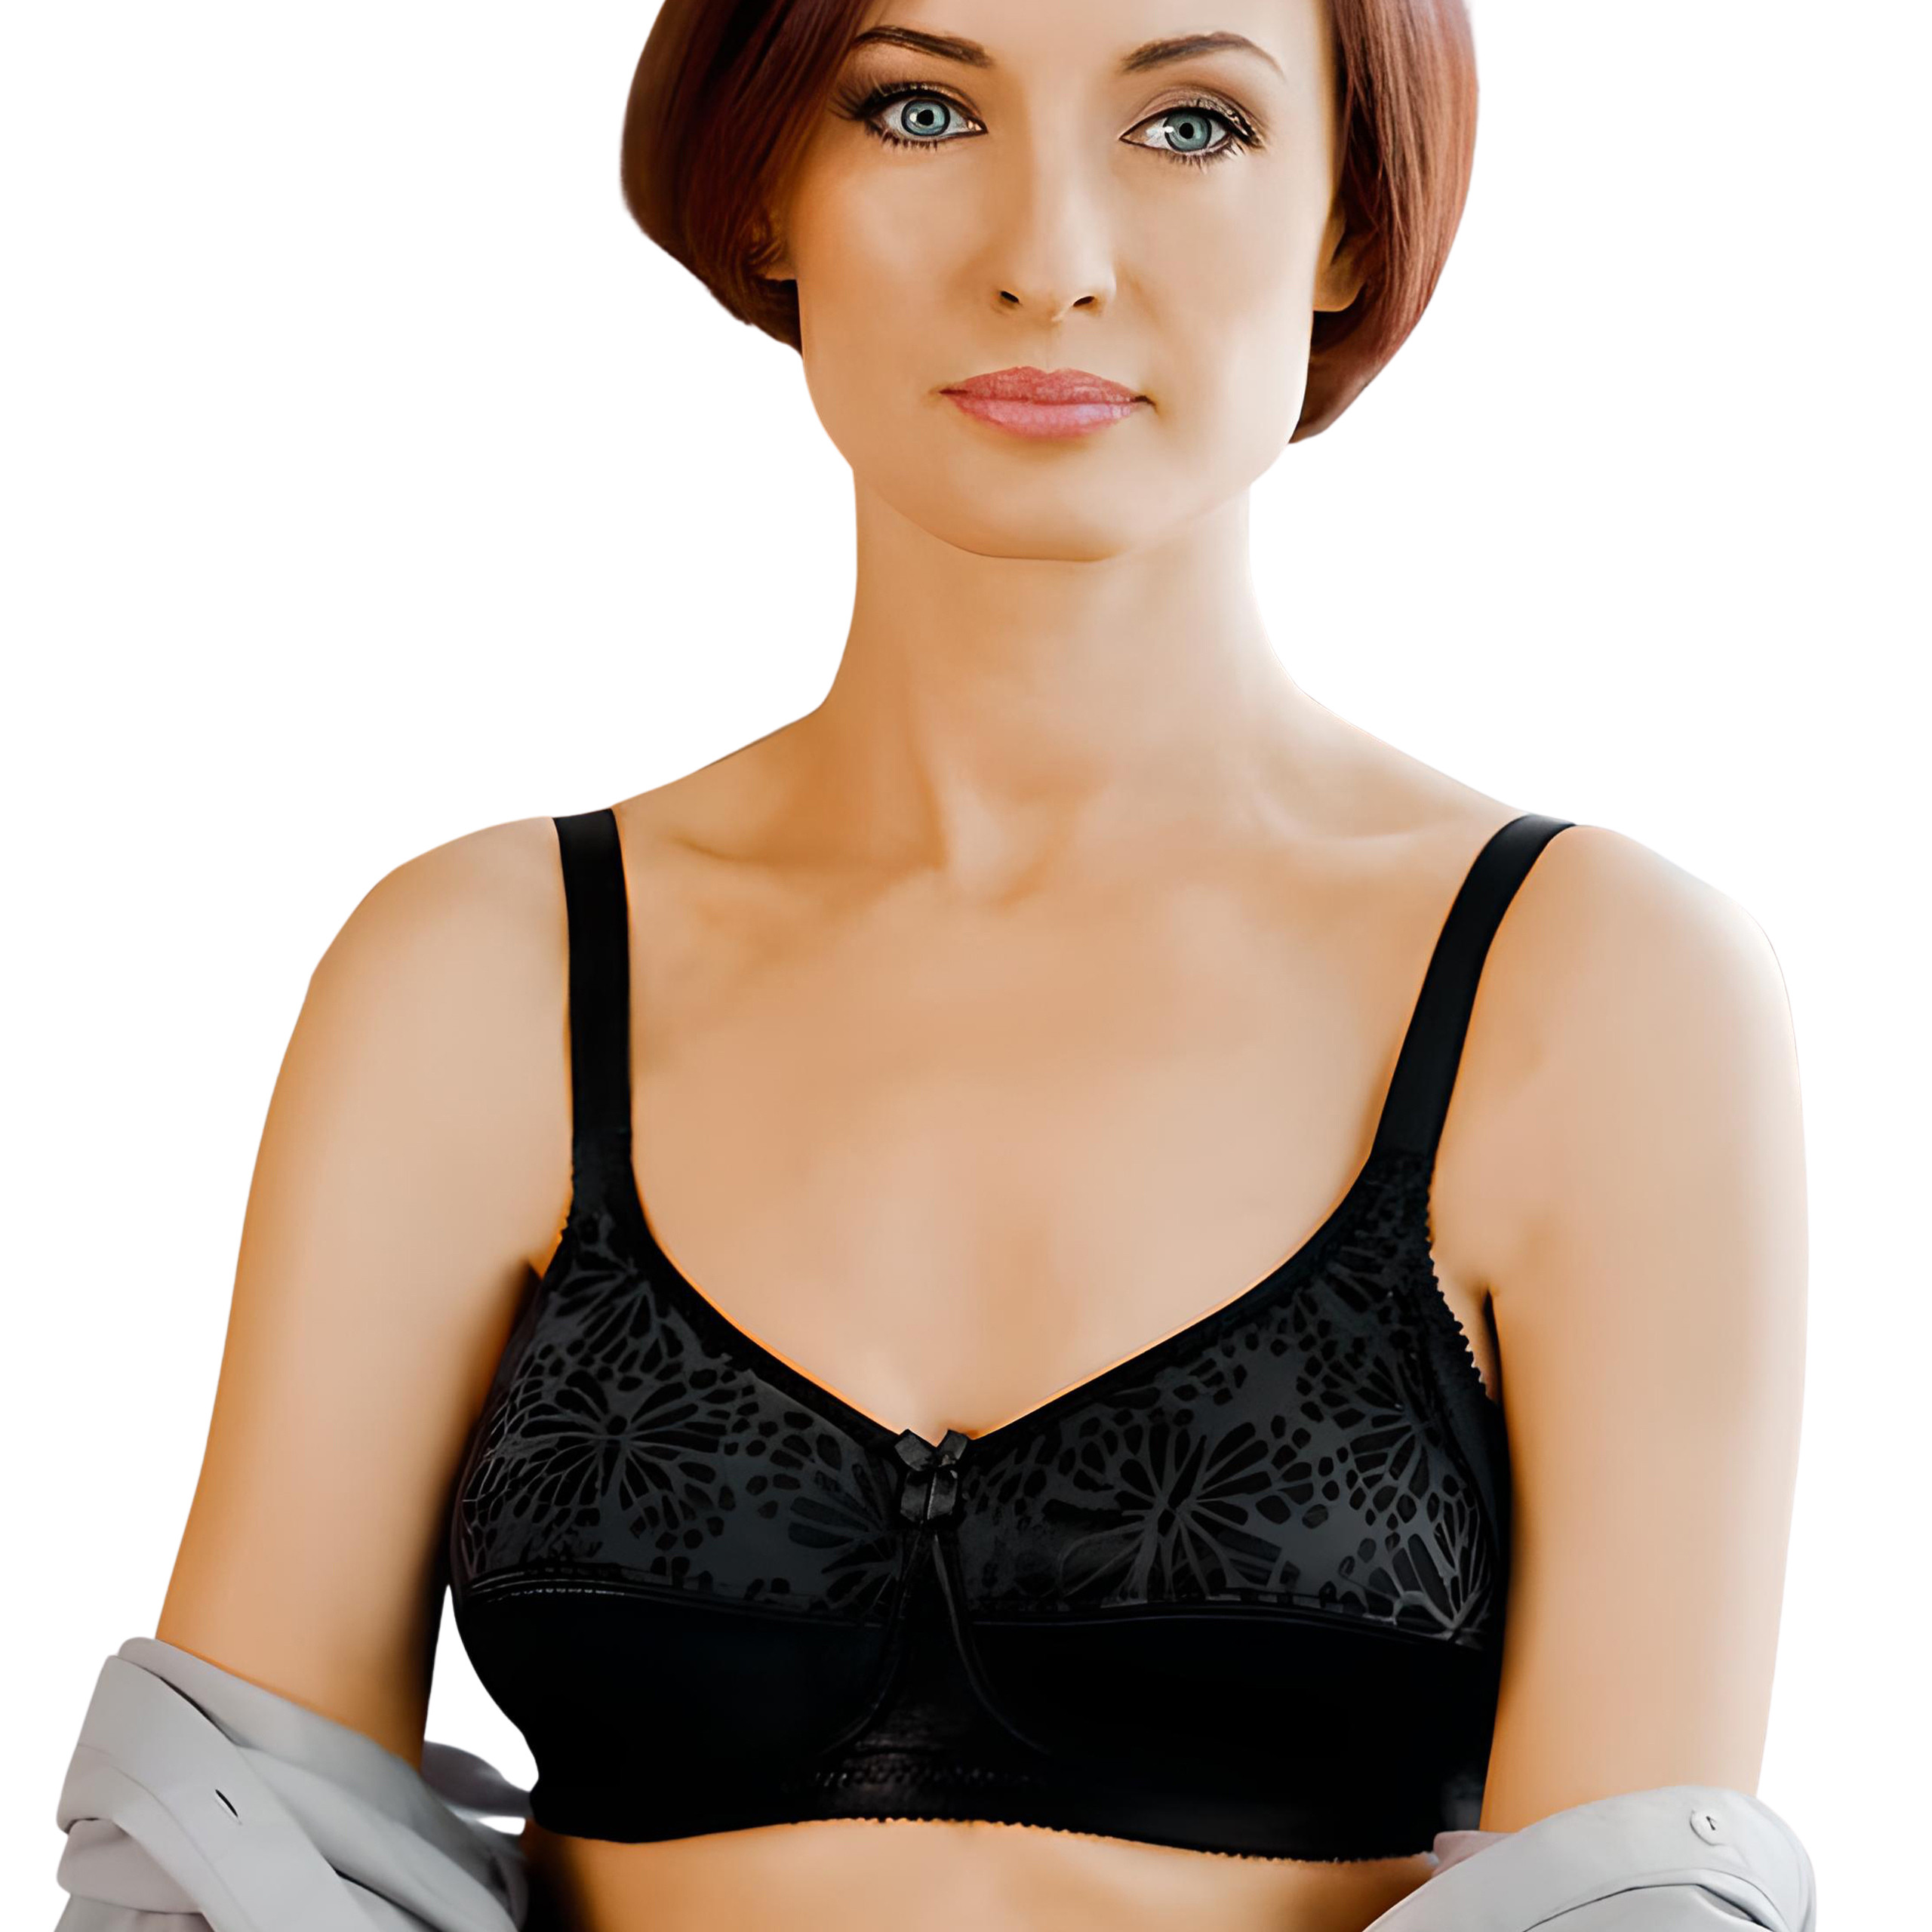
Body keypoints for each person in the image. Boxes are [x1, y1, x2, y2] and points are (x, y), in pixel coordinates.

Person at [146, 4, 1808, 1930]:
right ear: (763, 185)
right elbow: (218, 1855)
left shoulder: (1592, 992)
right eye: (920, 109)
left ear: (1350, 219)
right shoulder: (478, 972)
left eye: (1191, 125)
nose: (1049, 257)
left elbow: (1628, 1899)